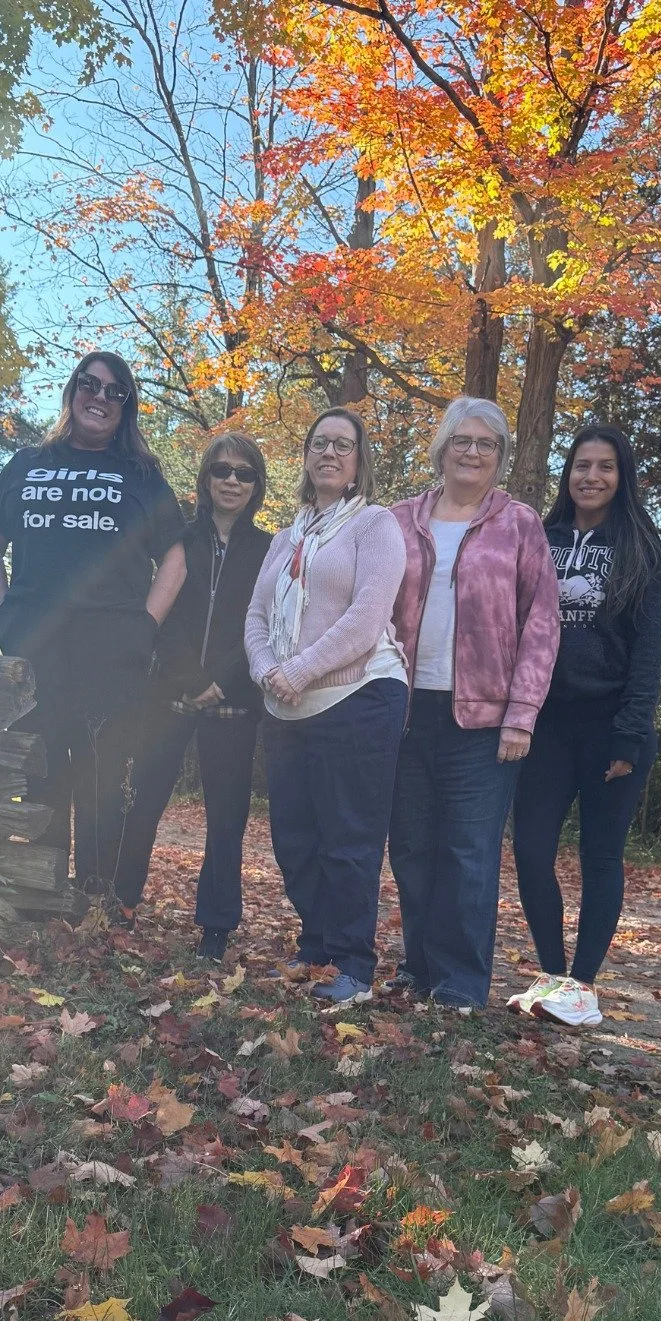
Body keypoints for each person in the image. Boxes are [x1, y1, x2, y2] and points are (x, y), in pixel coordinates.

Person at [0, 353, 185, 919]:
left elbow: (174, 559)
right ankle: (43, 896)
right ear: (72, 392)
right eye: (89, 385)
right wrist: (5, 612)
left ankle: (96, 902)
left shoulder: (141, 474)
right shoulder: (27, 463)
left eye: (114, 391)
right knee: (43, 771)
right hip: (35, 650)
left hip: (111, 653)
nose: (99, 396)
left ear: (126, 406)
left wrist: (144, 625)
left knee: (99, 776)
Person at [388, 396, 559, 1009]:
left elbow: (541, 622)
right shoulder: (399, 519)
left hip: (483, 720)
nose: (472, 452)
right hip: (402, 712)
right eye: (462, 440)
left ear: (500, 457)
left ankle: (460, 984)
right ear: (441, 449)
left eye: (486, 444)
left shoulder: (519, 524)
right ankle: (418, 965)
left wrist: (521, 714)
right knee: (410, 846)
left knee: (468, 852)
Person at [244, 408, 408, 1003]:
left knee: (349, 840)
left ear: (360, 461)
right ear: (307, 457)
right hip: (287, 703)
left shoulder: (375, 526)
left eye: (343, 445)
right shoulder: (288, 536)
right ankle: (316, 943)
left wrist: (299, 670)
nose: (330, 454)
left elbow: (368, 617)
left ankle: (354, 965)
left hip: (359, 697)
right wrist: (267, 670)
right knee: (293, 838)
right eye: (320, 444)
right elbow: (256, 614)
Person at [509, 426, 661, 1027]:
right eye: (581, 465)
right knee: (529, 850)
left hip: (611, 728)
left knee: (600, 856)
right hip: (543, 724)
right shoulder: (541, 537)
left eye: (605, 467)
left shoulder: (642, 551)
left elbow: (647, 654)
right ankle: (552, 975)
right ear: (567, 473)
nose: (592, 477)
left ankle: (584, 985)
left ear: (621, 476)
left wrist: (631, 734)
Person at [116, 434, 272, 958]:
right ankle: (123, 901)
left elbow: (264, 623)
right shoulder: (178, 541)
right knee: (144, 801)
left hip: (234, 698)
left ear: (256, 485)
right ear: (206, 479)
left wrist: (221, 681)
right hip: (169, 694)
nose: (232, 480)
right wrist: (190, 678)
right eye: (223, 470)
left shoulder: (269, 550)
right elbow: (167, 617)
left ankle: (216, 926)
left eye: (244, 473)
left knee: (226, 815)